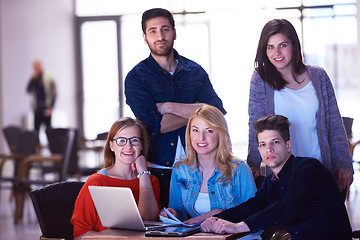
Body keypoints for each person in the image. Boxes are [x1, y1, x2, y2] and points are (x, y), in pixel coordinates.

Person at [125, 8, 226, 208]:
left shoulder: (195, 72)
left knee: (201, 228)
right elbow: (154, 125)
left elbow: (217, 111)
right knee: (162, 230)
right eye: (152, 31)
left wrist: (168, 107)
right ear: (145, 37)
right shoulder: (136, 78)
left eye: (165, 29)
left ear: (174, 32)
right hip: (158, 169)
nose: (160, 36)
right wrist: (200, 112)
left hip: (200, 167)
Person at [201, 115, 353, 240]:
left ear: (288, 146)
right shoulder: (271, 181)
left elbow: (289, 206)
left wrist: (239, 227)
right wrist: (218, 219)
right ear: (259, 149)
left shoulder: (309, 168)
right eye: (263, 144)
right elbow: (252, 206)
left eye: (275, 142)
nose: (269, 149)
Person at [246, 19, 353, 196]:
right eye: (270, 47)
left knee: (327, 222)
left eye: (282, 45)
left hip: (322, 172)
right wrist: (252, 165)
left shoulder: (319, 77)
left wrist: (344, 164)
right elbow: (256, 126)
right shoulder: (261, 79)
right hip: (283, 177)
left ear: (294, 46)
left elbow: (334, 125)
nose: (276, 53)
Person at [160, 105, 256, 226]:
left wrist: (219, 214)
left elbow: (253, 216)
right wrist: (172, 214)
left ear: (221, 134)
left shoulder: (238, 168)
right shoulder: (180, 169)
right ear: (189, 134)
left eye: (209, 131)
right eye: (195, 130)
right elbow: (180, 216)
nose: (201, 138)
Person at [71, 117, 160, 239]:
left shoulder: (151, 180)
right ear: (112, 146)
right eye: (121, 141)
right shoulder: (96, 182)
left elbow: (148, 217)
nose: (128, 146)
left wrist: (143, 173)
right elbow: (80, 233)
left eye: (134, 140)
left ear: (141, 145)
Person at [26, 60, 57, 132]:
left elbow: (54, 93)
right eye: (34, 68)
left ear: (41, 66)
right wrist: (31, 79)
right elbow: (28, 90)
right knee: (36, 129)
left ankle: (50, 143)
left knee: (48, 129)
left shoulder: (49, 77)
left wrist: (51, 106)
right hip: (37, 107)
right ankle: (37, 143)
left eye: (37, 67)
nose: (35, 69)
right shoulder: (35, 79)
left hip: (46, 106)